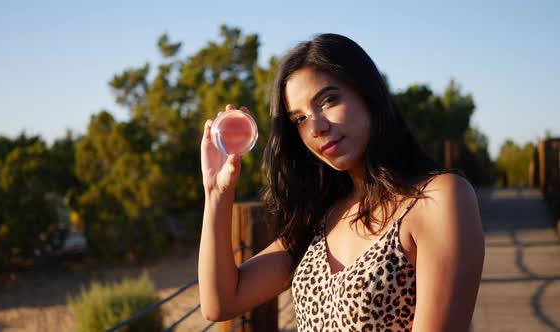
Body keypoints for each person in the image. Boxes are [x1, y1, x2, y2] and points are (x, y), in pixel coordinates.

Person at [199, 33, 484, 331]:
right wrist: (217, 193)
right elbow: (220, 302)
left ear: (368, 93)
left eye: (328, 100)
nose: (317, 127)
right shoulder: (322, 217)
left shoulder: (437, 199)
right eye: (300, 119)